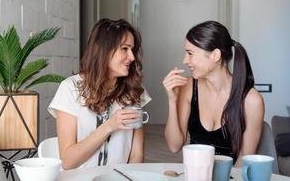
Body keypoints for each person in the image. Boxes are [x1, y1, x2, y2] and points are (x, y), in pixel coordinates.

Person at [48, 18, 151, 169]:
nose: (132, 57)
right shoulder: (70, 89)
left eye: (132, 49)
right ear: (104, 50)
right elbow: (68, 162)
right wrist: (109, 125)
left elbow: (137, 155)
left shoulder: (134, 89)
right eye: (125, 49)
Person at [163, 21, 264, 166]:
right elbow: (174, 146)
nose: (185, 61)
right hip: (195, 174)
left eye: (190, 53)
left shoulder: (251, 100)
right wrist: (172, 100)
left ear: (215, 55)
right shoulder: (189, 88)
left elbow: (245, 160)